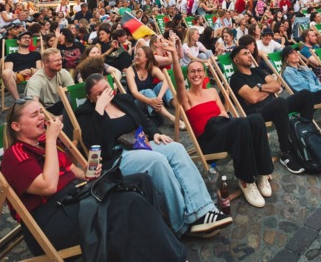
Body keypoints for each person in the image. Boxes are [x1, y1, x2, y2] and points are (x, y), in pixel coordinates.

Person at [1, 100, 186, 260]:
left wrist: (86, 175)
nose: (42, 117)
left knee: (141, 181)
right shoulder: (14, 155)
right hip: (52, 221)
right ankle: (171, 255)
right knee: (128, 201)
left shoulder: (42, 142)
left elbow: (69, 169)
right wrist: (51, 140)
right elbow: (48, 186)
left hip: (75, 199)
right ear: (16, 126)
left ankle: (157, 246)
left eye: (41, 112)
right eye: (34, 115)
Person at [75, 73, 232, 238]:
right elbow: (96, 144)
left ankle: (202, 210)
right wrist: (100, 108)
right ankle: (183, 223)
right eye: (98, 94)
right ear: (90, 98)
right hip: (118, 154)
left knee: (176, 148)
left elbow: (143, 120)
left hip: (140, 143)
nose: (104, 95)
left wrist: (155, 133)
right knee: (157, 161)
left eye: (106, 89)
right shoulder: (86, 113)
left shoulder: (122, 100)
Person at [168, 48, 273, 207]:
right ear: (187, 76)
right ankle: (246, 180)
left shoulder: (212, 91)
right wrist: (175, 58)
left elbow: (223, 112)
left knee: (257, 120)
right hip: (209, 142)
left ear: (204, 74)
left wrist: (224, 114)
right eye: (192, 72)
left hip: (224, 129)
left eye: (199, 71)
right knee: (240, 123)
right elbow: (179, 81)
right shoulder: (186, 97)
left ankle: (263, 172)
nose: (196, 74)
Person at [227, 45, 317, 174]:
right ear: (236, 60)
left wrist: (259, 87)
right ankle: (286, 153)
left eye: (249, 52)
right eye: (245, 53)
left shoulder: (257, 71)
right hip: (258, 114)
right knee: (279, 102)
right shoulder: (236, 79)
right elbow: (252, 98)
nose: (249, 55)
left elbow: (277, 85)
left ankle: (306, 136)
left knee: (305, 95)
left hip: (276, 107)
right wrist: (268, 90)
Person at [24, 48, 71, 115]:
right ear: (46, 63)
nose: (60, 62)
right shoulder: (36, 80)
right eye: (56, 60)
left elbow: (72, 93)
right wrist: (54, 119)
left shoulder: (63, 73)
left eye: (61, 59)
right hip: (41, 111)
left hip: (58, 106)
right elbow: (34, 104)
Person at [1, 31, 41, 102]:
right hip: (18, 76)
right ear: (18, 41)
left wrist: (34, 71)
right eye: (24, 38)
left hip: (33, 75)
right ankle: (18, 100)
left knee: (40, 72)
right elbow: (8, 71)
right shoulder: (11, 56)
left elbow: (40, 69)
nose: (27, 39)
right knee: (6, 73)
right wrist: (20, 72)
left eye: (29, 38)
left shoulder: (36, 54)